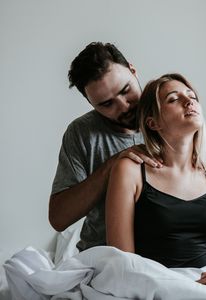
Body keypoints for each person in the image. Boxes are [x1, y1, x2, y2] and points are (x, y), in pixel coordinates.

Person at [105, 73, 206, 289]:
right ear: (153, 123)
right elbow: (123, 263)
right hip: (152, 287)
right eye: (173, 99)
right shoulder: (129, 170)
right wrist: (183, 289)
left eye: (192, 96)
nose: (189, 101)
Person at [49, 42, 160, 251]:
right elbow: (59, 218)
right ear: (91, 103)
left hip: (167, 258)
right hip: (102, 258)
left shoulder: (171, 113)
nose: (124, 106)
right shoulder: (81, 133)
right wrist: (113, 166)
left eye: (125, 90)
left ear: (133, 71)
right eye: (107, 104)